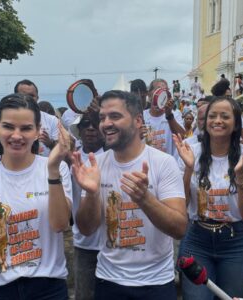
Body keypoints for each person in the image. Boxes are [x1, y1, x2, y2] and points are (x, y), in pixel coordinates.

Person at [73, 90, 187, 300]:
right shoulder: (97, 165)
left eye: (115, 116)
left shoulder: (163, 163)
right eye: (102, 117)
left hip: (156, 283)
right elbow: (87, 229)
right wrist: (91, 193)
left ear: (137, 121)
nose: (106, 123)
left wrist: (145, 199)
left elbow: (179, 228)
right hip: (109, 281)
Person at [0, 93, 72, 299]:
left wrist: (53, 171)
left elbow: (60, 224)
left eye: (26, 128)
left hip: (48, 288)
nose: (17, 135)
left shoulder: (55, 167)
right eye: (8, 126)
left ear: (38, 131)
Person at [174, 96, 243, 300]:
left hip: (236, 241)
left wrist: (240, 175)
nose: (217, 120)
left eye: (225, 116)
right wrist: (188, 169)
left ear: (236, 122)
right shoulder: (189, 151)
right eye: (212, 116)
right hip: (197, 238)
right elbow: (182, 204)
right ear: (204, 121)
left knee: (230, 298)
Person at [68, 111, 105, 300]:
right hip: (84, 243)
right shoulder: (70, 160)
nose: (90, 128)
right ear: (79, 131)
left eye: (95, 124)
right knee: (84, 294)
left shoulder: (112, 155)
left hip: (110, 242)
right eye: (85, 125)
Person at [14, 79, 59, 157]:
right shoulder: (6, 121)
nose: (27, 98)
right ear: (15, 97)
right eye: (23, 95)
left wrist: (50, 143)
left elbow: (62, 149)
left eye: (32, 96)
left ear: (37, 98)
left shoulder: (52, 120)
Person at [143, 79, 185, 156]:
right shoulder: (142, 116)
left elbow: (182, 137)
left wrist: (169, 115)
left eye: (164, 90)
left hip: (168, 166)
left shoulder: (175, 114)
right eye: (158, 89)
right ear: (149, 94)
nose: (161, 93)